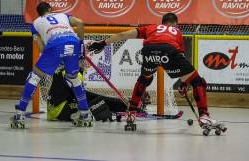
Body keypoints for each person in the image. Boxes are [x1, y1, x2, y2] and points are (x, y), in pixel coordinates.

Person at [87, 13, 225, 130]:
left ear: (162, 23)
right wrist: (184, 85)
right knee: (198, 82)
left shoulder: (150, 28)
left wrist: (102, 43)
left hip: (149, 51)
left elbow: (124, 34)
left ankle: (131, 113)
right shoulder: (177, 32)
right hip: (169, 51)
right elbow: (180, 59)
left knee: (144, 79)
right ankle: (204, 116)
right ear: (175, 24)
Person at [11, 2, 93, 128]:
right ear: (50, 9)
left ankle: (20, 113)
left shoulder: (35, 23)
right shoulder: (63, 15)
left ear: (38, 13)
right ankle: (85, 113)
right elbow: (81, 23)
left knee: (34, 76)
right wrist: (80, 44)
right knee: (73, 78)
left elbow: (42, 48)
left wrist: (55, 57)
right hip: (73, 43)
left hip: (54, 45)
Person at [45, 65, 129, 122]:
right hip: (62, 111)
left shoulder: (64, 69)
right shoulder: (74, 73)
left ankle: (124, 106)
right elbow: (83, 97)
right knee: (99, 101)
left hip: (52, 112)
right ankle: (126, 107)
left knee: (96, 100)